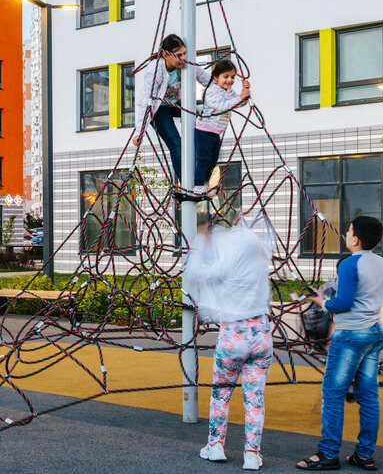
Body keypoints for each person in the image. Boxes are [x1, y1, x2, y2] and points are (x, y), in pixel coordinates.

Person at [297, 216, 383, 471]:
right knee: (368, 396)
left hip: (350, 335)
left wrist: (320, 301)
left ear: (355, 239)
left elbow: (342, 303)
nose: (345, 233)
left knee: (332, 393)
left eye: (348, 231)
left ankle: (328, 454)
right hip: (374, 334)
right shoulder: (381, 262)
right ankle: (364, 455)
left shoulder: (350, 264)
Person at [185, 216, 273, 471]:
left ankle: (215, 446)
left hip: (233, 335)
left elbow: (198, 272)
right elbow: (252, 237)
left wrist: (200, 245)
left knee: (221, 393)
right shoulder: (258, 257)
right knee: (255, 397)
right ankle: (252, 454)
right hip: (261, 334)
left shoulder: (226, 262)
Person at [131, 34, 212, 180]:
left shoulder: (187, 63)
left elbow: (207, 80)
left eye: (184, 53)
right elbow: (146, 101)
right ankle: (186, 183)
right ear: (165, 55)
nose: (183, 58)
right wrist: (139, 131)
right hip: (159, 109)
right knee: (177, 145)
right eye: (178, 55)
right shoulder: (155, 69)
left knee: (204, 124)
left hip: (179, 104)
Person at [193, 59, 250, 194]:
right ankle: (198, 184)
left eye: (232, 77)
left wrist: (245, 94)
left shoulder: (228, 91)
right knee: (204, 159)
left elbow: (239, 103)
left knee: (212, 161)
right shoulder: (212, 90)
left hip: (215, 132)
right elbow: (222, 106)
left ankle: (205, 184)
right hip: (204, 131)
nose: (229, 80)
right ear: (216, 77)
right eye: (225, 77)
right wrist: (239, 97)